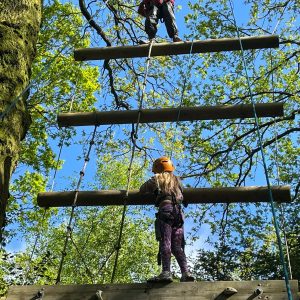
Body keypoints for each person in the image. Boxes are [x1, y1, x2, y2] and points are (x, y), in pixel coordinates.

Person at [139, 156, 194, 282]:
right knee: (177, 246)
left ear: (157, 169)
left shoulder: (156, 179)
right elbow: (183, 194)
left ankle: (166, 272)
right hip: (178, 214)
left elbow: (142, 190)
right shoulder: (177, 180)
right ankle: (186, 272)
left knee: (166, 242)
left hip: (166, 211)